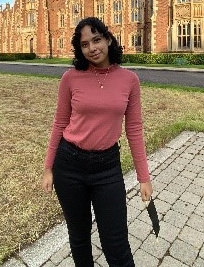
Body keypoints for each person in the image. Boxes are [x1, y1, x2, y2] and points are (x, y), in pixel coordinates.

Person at [42, 17, 153, 266]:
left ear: (108, 39)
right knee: (79, 238)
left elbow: (134, 129)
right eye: (84, 44)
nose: (92, 48)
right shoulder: (70, 78)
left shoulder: (129, 80)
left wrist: (143, 177)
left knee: (117, 244)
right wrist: (48, 168)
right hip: (69, 166)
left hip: (107, 169)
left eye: (96, 39)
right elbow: (60, 123)